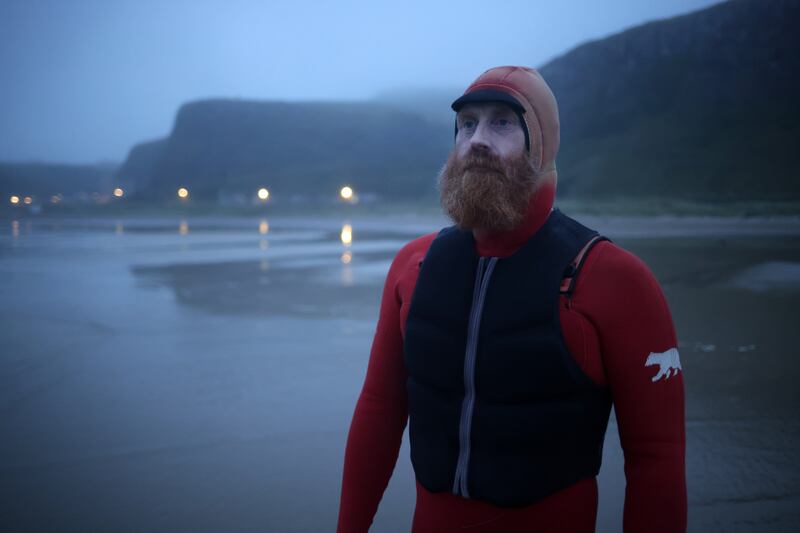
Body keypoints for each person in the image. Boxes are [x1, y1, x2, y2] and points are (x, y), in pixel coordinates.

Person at [336, 66, 686, 533]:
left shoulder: (615, 281)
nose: (477, 139)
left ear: (539, 146)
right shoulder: (412, 268)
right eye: (467, 124)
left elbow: (655, 458)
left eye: (502, 121)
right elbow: (379, 412)